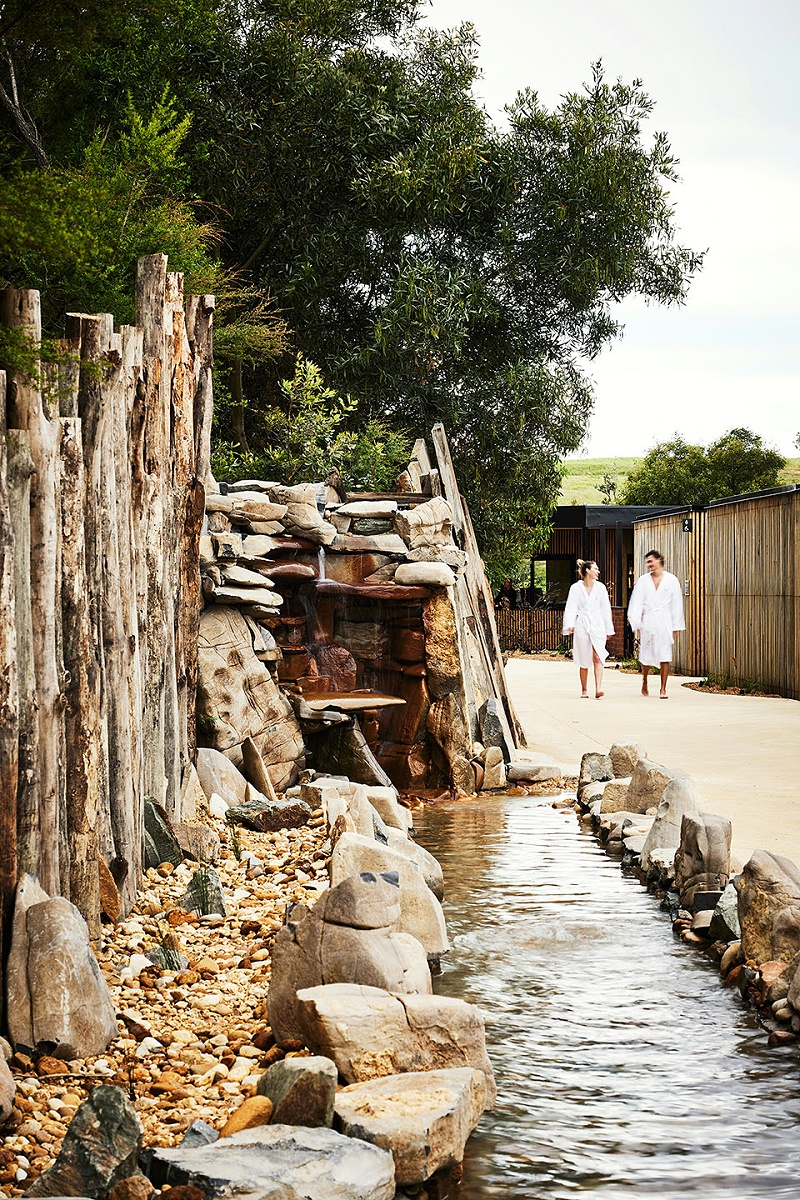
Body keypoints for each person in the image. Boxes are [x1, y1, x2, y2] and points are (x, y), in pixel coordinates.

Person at [627, 549, 686, 698]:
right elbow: (636, 601)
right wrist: (635, 621)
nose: (649, 565)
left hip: (665, 621)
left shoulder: (672, 580)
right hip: (649, 621)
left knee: (665, 655)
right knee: (646, 655)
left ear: (659, 560)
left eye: (651, 561)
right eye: (647, 562)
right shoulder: (642, 581)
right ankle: (645, 680)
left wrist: (676, 626)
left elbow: (677, 604)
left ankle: (663, 689)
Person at [562, 559, 615, 699]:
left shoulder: (601, 588)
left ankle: (598, 688)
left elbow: (605, 609)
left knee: (598, 656)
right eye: (595, 569)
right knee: (584, 659)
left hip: (598, 625)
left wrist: (608, 629)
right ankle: (584, 689)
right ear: (587, 571)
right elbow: (571, 606)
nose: (598, 571)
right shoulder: (575, 588)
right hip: (582, 625)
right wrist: (570, 623)